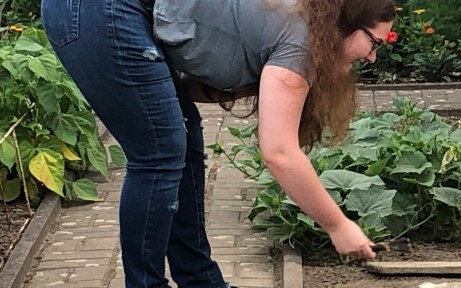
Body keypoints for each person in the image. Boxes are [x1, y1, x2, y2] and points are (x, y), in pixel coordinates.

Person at [39, 0, 395, 287]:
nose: (372, 57)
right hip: (100, 11)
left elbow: (188, 88)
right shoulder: (300, 40)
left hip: (96, 13)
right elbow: (280, 153)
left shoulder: (294, 27)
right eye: (374, 43)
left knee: (182, 133)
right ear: (347, 23)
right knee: (159, 154)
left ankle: (199, 280)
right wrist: (338, 226)